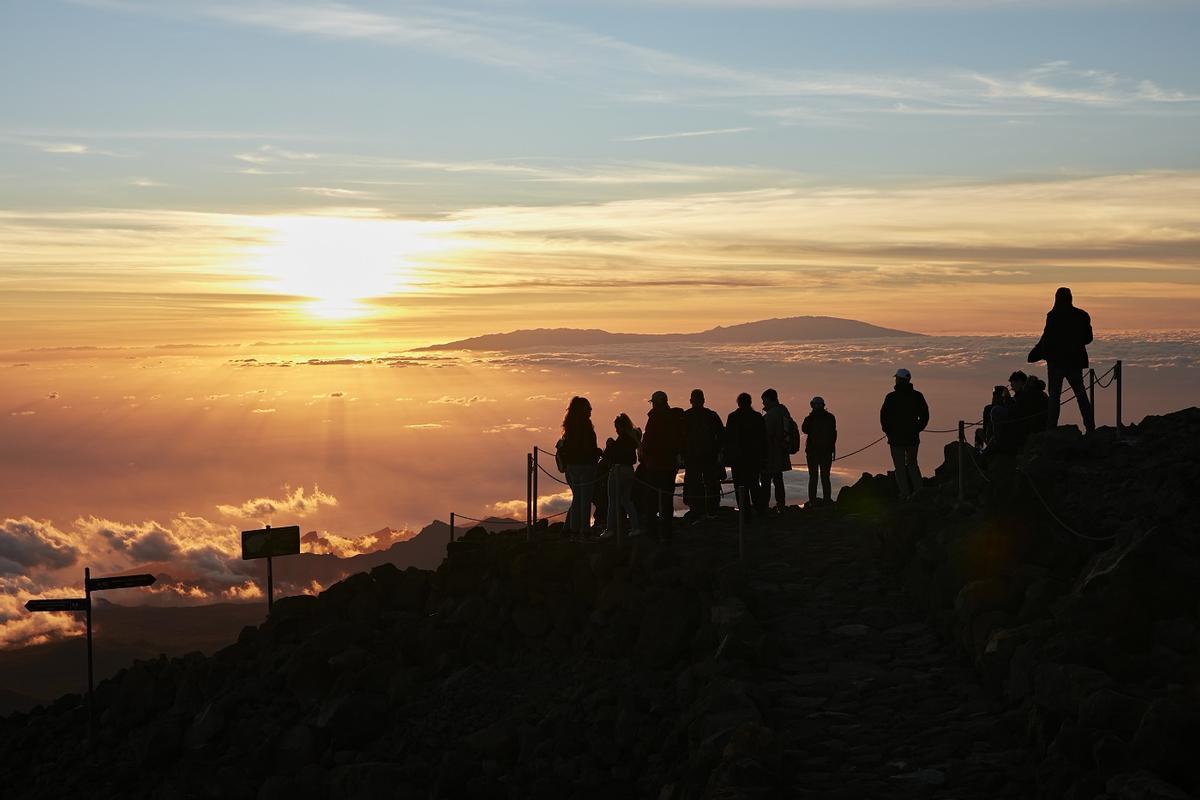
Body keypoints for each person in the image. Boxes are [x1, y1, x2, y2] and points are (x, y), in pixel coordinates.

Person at [1028, 287, 1096, 433]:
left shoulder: (1053, 316)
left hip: (1056, 363)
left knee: (1054, 397)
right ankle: (1090, 427)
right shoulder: (1082, 315)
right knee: (1081, 394)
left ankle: (1051, 429)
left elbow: (1047, 338)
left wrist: (1036, 352)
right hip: (1075, 362)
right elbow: (1088, 338)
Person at [637, 390, 683, 541]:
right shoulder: (675, 418)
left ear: (655, 403)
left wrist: (644, 453)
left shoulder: (654, 418)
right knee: (667, 499)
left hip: (654, 465)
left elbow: (649, 441)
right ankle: (667, 531)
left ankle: (652, 532)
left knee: (652, 499)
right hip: (670, 465)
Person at [880, 368, 929, 500]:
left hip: (896, 439)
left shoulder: (891, 397)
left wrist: (888, 431)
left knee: (900, 468)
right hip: (912, 438)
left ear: (899, 380)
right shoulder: (917, 396)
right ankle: (919, 493)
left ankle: (905, 494)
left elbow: (884, 416)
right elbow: (925, 415)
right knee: (913, 465)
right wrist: (918, 428)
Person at [557, 396, 601, 535]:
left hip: (571, 468)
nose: (590, 410)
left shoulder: (569, 427)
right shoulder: (585, 426)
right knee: (585, 500)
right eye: (588, 408)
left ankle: (571, 529)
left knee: (577, 499)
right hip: (586, 467)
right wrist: (598, 452)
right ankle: (584, 529)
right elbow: (588, 449)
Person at [724, 392, 767, 521]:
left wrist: (727, 456)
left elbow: (728, 439)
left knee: (740, 487)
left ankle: (745, 514)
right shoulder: (757, 417)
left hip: (738, 459)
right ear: (750, 402)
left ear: (738, 403)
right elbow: (763, 438)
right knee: (754, 485)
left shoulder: (733, 417)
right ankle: (759, 511)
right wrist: (764, 456)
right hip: (754, 458)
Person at [682, 389, 725, 516]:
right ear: (704, 400)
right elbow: (721, 435)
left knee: (694, 484)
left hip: (692, 457)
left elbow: (681, 437)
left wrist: (683, 452)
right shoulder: (712, 415)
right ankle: (712, 509)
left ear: (691, 401)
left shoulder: (685, 416)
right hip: (709, 456)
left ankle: (696, 510)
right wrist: (717, 450)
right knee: (711, 483)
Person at [600, 413, 640, 539]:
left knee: (612, 501)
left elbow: (610, 456)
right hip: (629, 471)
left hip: (618, 470)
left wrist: (609, 445)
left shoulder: (621, 440)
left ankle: (610, 529)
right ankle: (635, 527)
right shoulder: (633, 438)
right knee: (627, 500)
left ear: (621, 427)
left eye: (617, 427)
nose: (616, 430)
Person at [760, 388, 795, 511]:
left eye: (764, 401)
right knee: (778, 480)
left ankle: (764, 506)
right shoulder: (784, 412)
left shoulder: (772, 415)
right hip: (781, 452)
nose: (763, 404)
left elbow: (765, 434)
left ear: (769, 399)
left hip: (770, 453)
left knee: (765, 480)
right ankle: (781, 504)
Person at [800, 396, 836, 505]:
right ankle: (826, 500)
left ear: (812, 405)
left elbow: (804, 429)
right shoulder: (830, 417)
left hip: (813, 452)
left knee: (813, 477)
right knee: (825, 476)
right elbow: (833, 434)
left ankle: (812, 501)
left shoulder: (810, 418)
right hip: (826, 451)